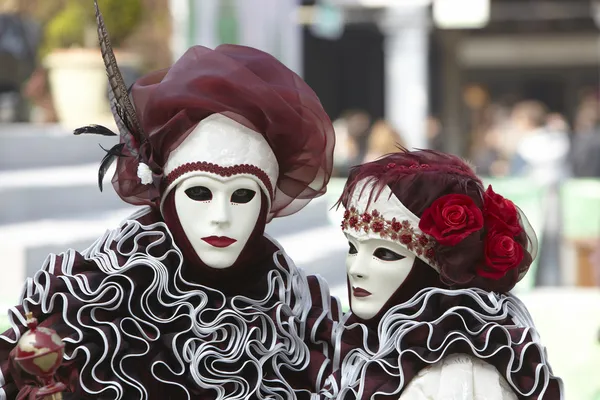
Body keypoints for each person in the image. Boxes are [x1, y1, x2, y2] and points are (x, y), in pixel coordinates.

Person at [0, 2, 339, 399]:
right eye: (199, 192)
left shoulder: (295, 310)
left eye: (244, 196)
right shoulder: (93, 304)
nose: (221, 218)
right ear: (167, 194)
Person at [322, 149, 563, 399]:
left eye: (385, 254)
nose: (356, 269)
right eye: (352, 247)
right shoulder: (371, 344)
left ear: (434, 268)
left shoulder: (456, 375)